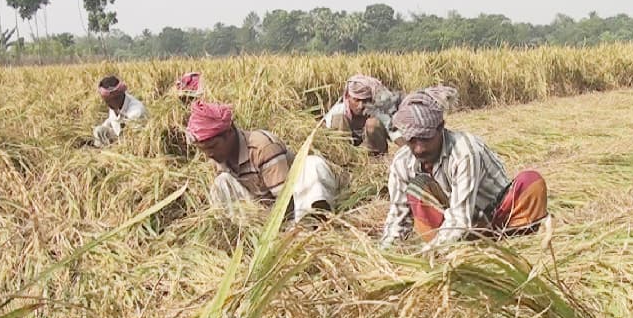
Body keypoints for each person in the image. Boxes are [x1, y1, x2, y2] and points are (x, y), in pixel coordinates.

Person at [380, 86, 548, 251]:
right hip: (453, 225)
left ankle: (515, 238)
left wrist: (429, 253)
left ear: (441, 128)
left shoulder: (464, 151)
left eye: (425, 139)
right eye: (411, 141)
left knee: (531, 182)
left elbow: (460, 218)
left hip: (498, 215)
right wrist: (385, 254)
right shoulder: (402, 162)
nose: (419, 149)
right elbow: (398, 218)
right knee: (417, 188)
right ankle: (452, 248)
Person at [186, 101, 339, 222]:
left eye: (213, 146)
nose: (209, 154)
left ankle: (313, 224)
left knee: (313, 163)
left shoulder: (263, 147)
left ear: (230, 133)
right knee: (222, 182)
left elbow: (285, 201)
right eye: (204, 150)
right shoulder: (219, 156)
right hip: (263, 212)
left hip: (293, 205)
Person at [323, 74, 399, 155]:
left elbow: (396, 133)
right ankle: (343, 155)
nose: (361, 106)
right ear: (348, 97)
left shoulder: (377, 111)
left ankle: (376, 156)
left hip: (371, 157)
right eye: (356, 100)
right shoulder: (338, 111)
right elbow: (323, 131)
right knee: (339, 119)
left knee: (373, 123)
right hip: (347, 155)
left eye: (365, 101)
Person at [91, 75, 147, 147]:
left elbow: (135, 138)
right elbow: (112, 120)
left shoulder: (136, 111)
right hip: (119, 136)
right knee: (99, 130)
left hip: (133, 142)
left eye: (108, 100)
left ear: (117, 97)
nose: (106, 102)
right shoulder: (114, 105)